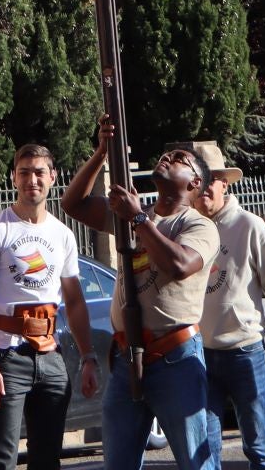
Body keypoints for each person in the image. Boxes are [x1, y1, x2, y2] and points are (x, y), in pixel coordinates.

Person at [62, 115, 219, 470]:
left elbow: (179, 265)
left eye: (180, 159)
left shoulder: (198, 224)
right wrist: (102, 153)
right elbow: (74, 204)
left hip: (174, 357)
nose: (168, 158)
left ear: (195, 182)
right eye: (168, 155)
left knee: (196, 463)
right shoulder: (136, 213)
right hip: (125, 357)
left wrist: (138, 220)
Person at [0, 142, 99, 470]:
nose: (31, 180)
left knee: (48, 458)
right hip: (6, 358)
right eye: (24, 173)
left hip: (51, 358)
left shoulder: (62, 234)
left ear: (52, 177)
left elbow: (75, 301)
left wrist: (89, 357)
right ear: (13, 178)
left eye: (38, 172)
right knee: (0, 458)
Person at [183, 137, 265, 470]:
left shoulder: (249, 226)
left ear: (224, 183)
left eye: (210, 179)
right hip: (200, 352)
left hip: (246, 351)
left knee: (257, 446)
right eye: (195, 180)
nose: (202, 188)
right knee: (204, 447)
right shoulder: (186, 229)